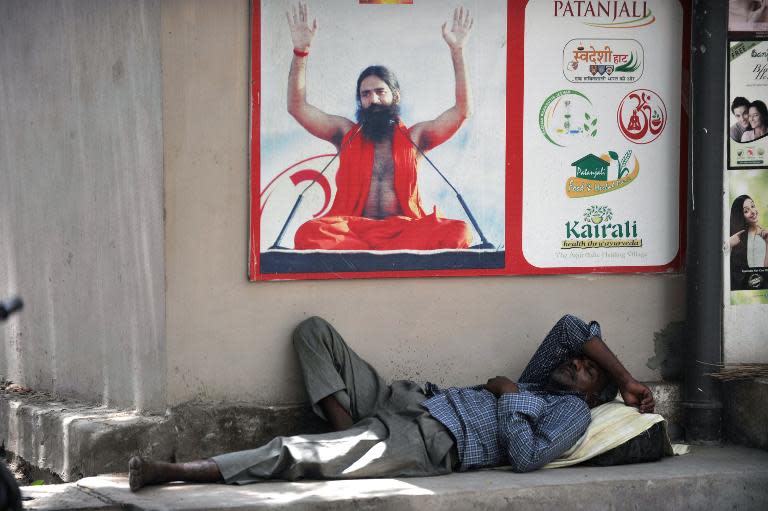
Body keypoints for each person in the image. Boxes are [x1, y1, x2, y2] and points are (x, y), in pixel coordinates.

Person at [127, 314, 655, 490]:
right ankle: (346, 436)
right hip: (403, 399)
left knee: (295, 452)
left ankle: (177, 471)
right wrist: (625, 377)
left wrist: (511, 400)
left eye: (586, 371)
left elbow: (524, 458)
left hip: (427, 439)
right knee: (314, 333)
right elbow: (570, 327)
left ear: (591, 394)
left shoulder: (570, 411)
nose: (577, 363)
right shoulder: (546, 379)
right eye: (582, 360)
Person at [286, 2, 473, 250]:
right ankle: (373, 253)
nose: (372, 100)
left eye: (379, 92)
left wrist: (457, 52)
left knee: (460, 232)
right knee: (308, 233)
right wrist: (301, 53)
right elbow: (298, 108)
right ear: (360, 100)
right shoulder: (345, 134)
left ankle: (377, 254)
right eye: (365, 95)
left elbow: (462, 111)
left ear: (395, 96)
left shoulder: (416, 137)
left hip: (404, 230)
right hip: (354, 229)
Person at [729, 194, 768, 289]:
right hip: (743, 291)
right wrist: (729, 243)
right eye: (746, 211)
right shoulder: (738, 237)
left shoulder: (764, 234)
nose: (753, 212)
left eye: (753, 206)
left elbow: (765, 268)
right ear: (740, 216)